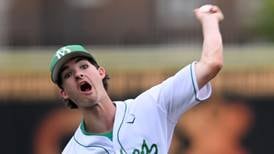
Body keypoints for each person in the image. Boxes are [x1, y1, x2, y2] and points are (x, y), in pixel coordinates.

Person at [49, 4, 224, 154]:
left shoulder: (151, 106)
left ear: (101, 72)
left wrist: (209, 20)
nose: (78, 74)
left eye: (84, 66)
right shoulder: (74, 151)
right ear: (64, 93)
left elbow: (211, 64)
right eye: (68, 74)